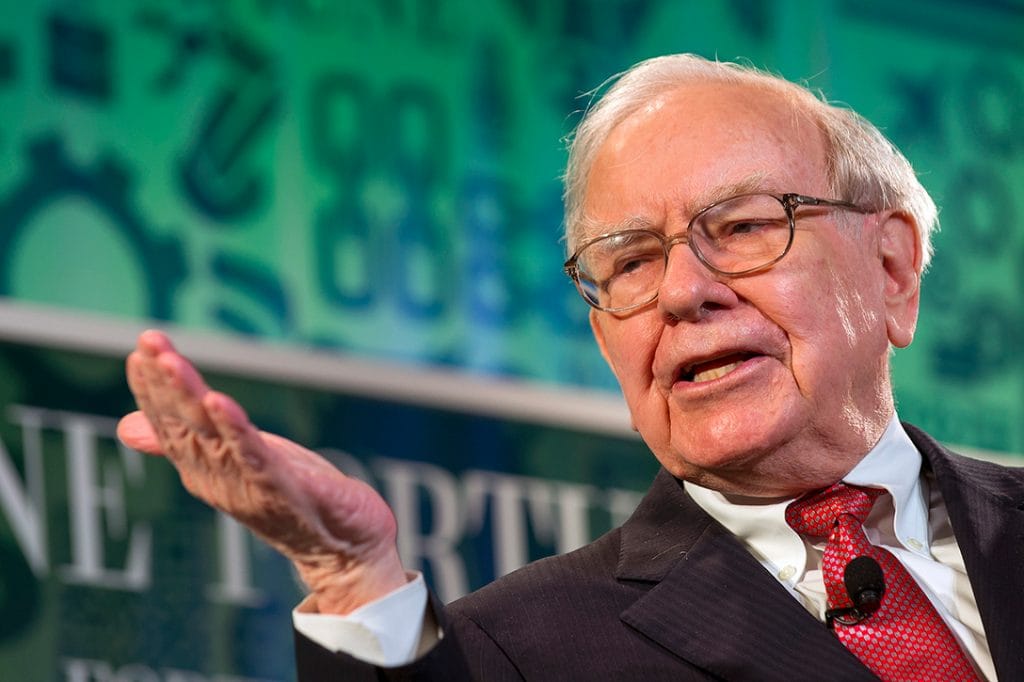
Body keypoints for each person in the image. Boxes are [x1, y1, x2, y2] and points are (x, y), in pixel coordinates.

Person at [118, 54, 1024, 680]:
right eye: (629, 262)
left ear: (892, 268)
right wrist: (353, 577)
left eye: (744, 226)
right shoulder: (515, 652)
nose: (682, 292)